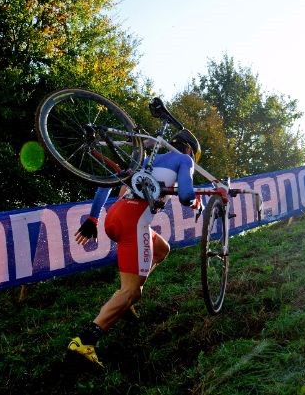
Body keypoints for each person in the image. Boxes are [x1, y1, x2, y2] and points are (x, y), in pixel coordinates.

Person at [67, 128, 203, 367]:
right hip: (133, 223)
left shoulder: (146, 159)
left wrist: (93, 218)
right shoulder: (185, 160)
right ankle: (85, 341)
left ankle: (123, 300)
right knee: (133, 292)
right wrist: (196, 202)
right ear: (190, 149)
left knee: (161, 249)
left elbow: (105, 183)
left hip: (113, 217)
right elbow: (185, 195)